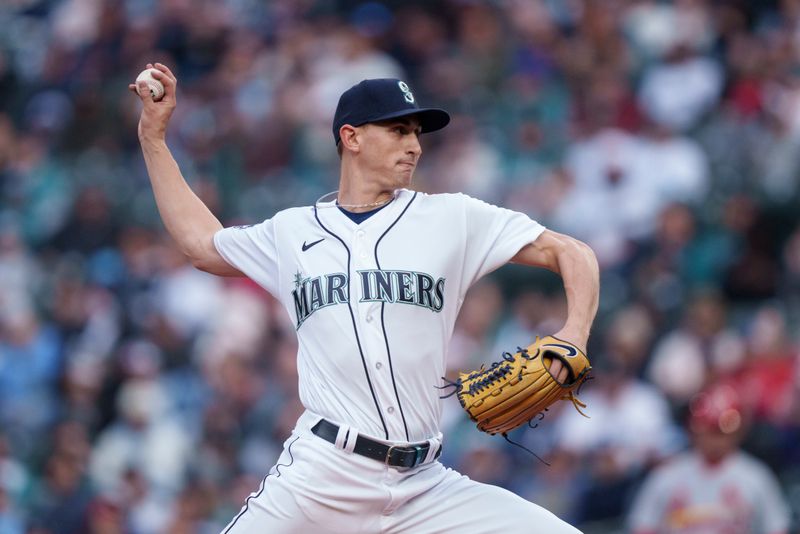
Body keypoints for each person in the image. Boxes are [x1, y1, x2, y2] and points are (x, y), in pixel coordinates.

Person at [130, 63, 599, 534]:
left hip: (425, 485)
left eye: (416, 132)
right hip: (322, 476)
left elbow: (571, 252)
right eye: (397, 130)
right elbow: (200, 244)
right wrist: (154, 139)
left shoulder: (452, 217)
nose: (414, 144)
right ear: (351, 138)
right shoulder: (292, 232)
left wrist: (574, 333)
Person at [627, 384, 791, 534]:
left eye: (721, 431)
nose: (714, 440)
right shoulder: (666, 475)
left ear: (737, 433)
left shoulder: (756, 476)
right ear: (694, 431)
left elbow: (776, 528)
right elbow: (643, 526)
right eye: (708, 430)